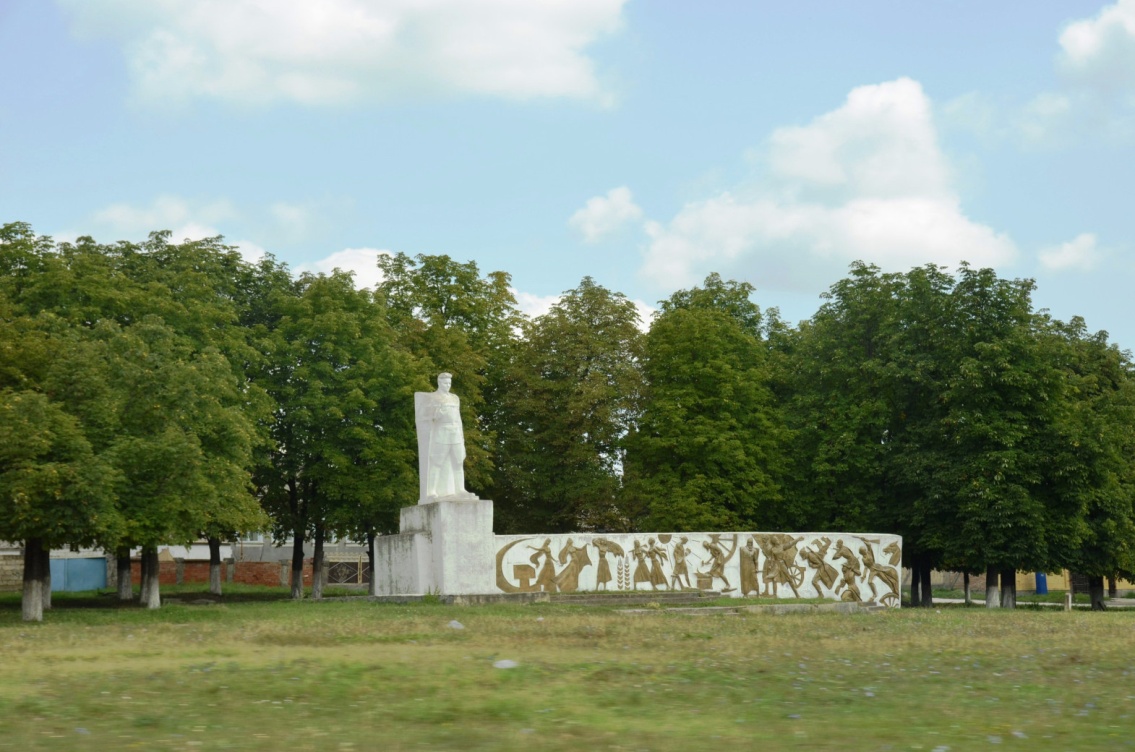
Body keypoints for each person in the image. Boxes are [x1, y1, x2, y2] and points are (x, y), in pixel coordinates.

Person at [418, 372, 473, 500]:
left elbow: (458, 419)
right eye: (445, 383)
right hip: (442, 432)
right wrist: (436, 414)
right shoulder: (432, 398)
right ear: (439, 382)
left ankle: (460, 489)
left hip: (455, 433)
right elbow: (426, 417)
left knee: (458, 462)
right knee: (437, 462)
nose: (447, 385)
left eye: (449, 383)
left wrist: (462, 438)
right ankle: (431, 491)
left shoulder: (455, 398)